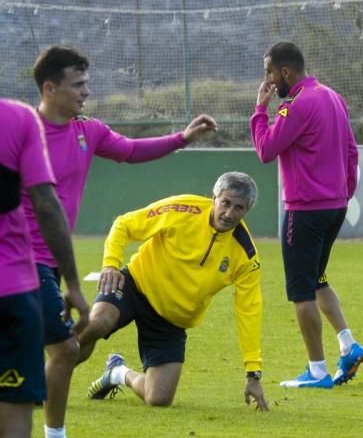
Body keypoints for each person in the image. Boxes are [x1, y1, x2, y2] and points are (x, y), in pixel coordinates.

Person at [24, 45, 218, 438]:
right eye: (78, 85)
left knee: (55, 350)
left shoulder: (86, 131)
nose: (86, 92)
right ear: (49, 88)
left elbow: (131, 150)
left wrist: (181, 139)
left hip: (51, 262)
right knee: (62, 350)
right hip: (18, 259)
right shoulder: (21, 130)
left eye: (86, 84)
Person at [81, 172, 269, 411]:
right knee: (96, 324)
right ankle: (46, 382)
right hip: (135, 285)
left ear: (247, 211)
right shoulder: (181, 209)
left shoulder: (246, 255)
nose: (229, 213)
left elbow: (249, 310)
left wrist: (253, 373)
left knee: (158, 399)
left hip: (170, 320)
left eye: (239, 208)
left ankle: (117, 373)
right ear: (214, 198)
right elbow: (124, 224)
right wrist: (110, 263)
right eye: (226, 203)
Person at [0, 98, 88, 438]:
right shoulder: (17, 118)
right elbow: (45, 202)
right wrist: (72, 281)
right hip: (11, 291)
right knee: (13, 432)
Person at [250, 41, 363, 389]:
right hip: (334, 206)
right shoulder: (333, 96)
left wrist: (260, 110)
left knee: (301, 291)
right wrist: (343, 193)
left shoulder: (296, 105)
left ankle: (317, 370)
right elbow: (351, 151)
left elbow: (266, 150)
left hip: (305, 209)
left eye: (269, 72)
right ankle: (348, 345)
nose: (268, 80)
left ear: (285, 72)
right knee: (316, 279)